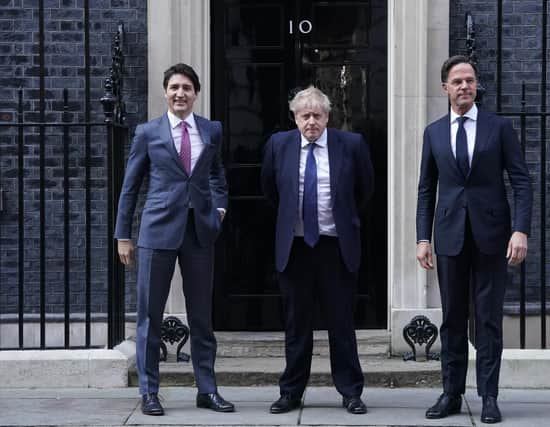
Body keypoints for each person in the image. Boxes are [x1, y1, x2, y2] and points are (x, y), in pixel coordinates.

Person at [416, 55, 533, 424]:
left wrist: (521, 229)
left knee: (488, 319)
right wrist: (422, 237)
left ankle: (489, 396)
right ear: (445, 88)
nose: (464, 86)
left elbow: (522, 180)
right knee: (452, 318)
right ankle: (451, 393)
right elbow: (425, 189)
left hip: (492, 236)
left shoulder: (498, 128)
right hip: (449, 236)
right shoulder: (433, 132)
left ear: (476, 85)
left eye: (469, 80)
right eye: (457, 81)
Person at [115, 63, 235, 416]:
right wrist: (124, 235)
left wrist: (220, 211)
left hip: (199, 232)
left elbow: (217, 175)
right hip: (157, 232)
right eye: (174, 88)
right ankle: (150, 391)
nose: (180, 93)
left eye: (186, 87)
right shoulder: (147, 133)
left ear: (196, 93)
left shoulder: (211, 130)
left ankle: (207, 389)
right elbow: (130, 187)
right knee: (150, 318)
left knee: (202, 317)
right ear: (165, 93)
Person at [261, 86, 374, 415]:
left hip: (335, 247)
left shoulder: (350, 145)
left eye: (317, 115)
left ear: (328, 117)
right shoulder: (278, 145)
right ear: (294, 117)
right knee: (297, 324)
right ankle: (291, 392)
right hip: (295, 247)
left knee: (341, 323)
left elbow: (365, 189)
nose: (311, 121)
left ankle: (351, 391)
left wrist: (344, 218)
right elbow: (269, 189)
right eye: (304, 115)